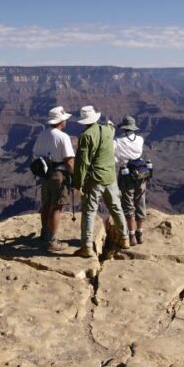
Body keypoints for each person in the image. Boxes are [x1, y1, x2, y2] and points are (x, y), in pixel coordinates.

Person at [73, 105, 129, 258]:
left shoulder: (86, 136)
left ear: (84, 121)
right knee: (116, 208)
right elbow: (111, 127)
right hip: (110, 177)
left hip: (95, 179)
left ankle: (87, 247)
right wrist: (110, 123)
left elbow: (82, 162)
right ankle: (125, 238)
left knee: (90, 211)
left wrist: (78, 183)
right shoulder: (107, 131)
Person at [32, 106, 75, 252]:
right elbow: (69, 161)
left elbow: (35, 154)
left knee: (46, 204)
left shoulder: (42, 134)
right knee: (57, 206)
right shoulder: (63, 137)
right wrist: (74, 176)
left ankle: (44, 233)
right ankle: (53, 240)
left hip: (45, 175)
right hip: (58, 175)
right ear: (61, 121)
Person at [114, 116, 148, 245]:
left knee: (128, 204)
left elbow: (115, 158)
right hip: (141, 174)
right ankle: (140, 234)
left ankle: (132, 236)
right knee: (140, 202)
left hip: (126, 175)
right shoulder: (140, 139)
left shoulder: (117, 141)